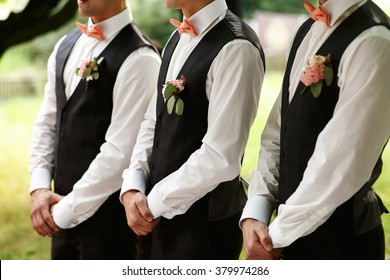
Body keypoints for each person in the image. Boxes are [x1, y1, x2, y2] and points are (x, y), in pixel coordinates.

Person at [241, 0, 390, 260]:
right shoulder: (307, 29)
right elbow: (278, 132)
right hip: (285, 238)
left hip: (342, 247)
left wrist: (277, 236)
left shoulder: (375, 41)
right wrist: (257, 210)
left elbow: (343, 166)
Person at [120, 0, 265, 259]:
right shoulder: (177, 37)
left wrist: (151, 205)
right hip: (155, 219)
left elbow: (220, 157)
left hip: (203, 228)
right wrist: (132, 185)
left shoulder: (237, 47)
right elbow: (153, 121)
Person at [29, 0, 161, 259]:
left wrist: (65, 212)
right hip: (59, 215)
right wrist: (40, 188)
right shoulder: (64, 46)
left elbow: (120, 153)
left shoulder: (141, 59)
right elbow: (48, 121)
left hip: (109, 227)